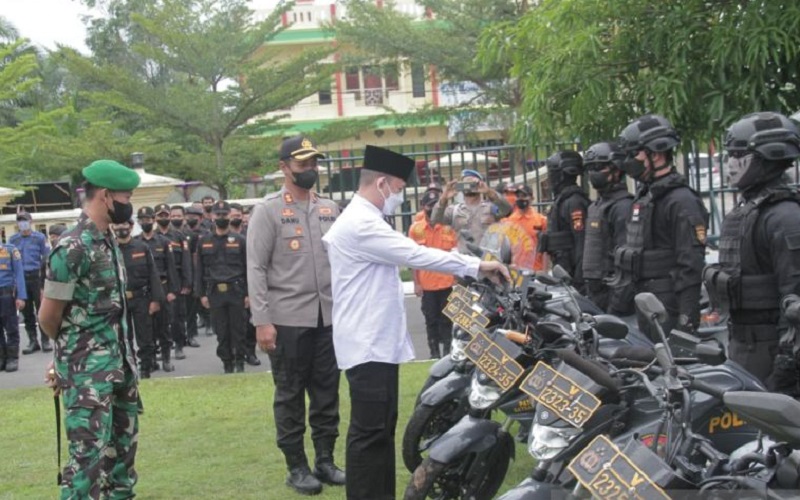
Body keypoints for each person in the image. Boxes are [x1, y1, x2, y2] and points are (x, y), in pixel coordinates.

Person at [322, 145, 509, 500]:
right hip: (367, 343)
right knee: (369, 433)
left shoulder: (364, 218)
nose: (398, 196)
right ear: (381, 184)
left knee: (379, 431)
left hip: (372, 342)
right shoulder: (361, 223)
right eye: (397, 189)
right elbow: (414, 253)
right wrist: (474, 266)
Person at [38, 159, 140, 498]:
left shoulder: (108, 240)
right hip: (87, 377)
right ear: (106, 196)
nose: (130, 206)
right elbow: (48, 317)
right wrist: (68, 356)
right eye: (126, 198)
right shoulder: (72, 247)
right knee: (86, 465)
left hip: (120, 367)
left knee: (122, 462)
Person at [248, 135, 344, 495]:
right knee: (289, 395)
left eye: (314, 164)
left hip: (327, 318)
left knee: (327, 393)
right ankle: (296, 467)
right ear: (284, 168)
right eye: (303, 164)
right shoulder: (268, 210)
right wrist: (262, 320)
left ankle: (325, 460)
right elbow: (255, 268)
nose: (310, 170)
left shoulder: (328, 208)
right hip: (287, 320)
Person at [703, 112, 800, 392]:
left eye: (737, 154)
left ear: (765, 157)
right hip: (743, 344)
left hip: (773, 351)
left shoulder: (785, 216)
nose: (729, 163)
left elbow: (794, 294)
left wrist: (787, 363)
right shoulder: (747, 210)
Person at [615, 114, 709, 339]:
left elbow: (690, 266)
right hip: (648, 303)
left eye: (634, 153)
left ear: (655, 154)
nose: (629, 161)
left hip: (670, 308)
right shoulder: (647, 196)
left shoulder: (681, 201)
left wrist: (686, 324)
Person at [582, 142, 635, 314]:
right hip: (595, 294)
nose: (592, 173)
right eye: (590, 168)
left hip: (615, 297)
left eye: (598, 167)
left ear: (616, 170)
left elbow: (627, 263)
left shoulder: (623, 207)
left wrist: (616, 307)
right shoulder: (595, 206)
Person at [196, 200, 248, 373]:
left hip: (237, 291)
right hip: (215, 292)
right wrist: (201, 294)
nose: (221, 218)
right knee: (221, 330)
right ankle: (227, 363)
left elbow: (248, 268)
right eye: (218, 215)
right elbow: (200, 270)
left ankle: (240, 361)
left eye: (224, 215)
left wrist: (249, 294)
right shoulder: (204, 241)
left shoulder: (240, 240)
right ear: (211, 217)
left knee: (239, 329)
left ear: (230, 216)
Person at [408, 188, 457, 359]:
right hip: (427, 284)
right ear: (423, 206)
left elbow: (456, 254)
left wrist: (457, 280)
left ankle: (447, 353)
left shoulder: (448, 227)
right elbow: (412, 260)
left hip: (447, 282)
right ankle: (434, 352)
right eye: (429, 206)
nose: (432, 208)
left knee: (447, 320)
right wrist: (417, 283)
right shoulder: (416, 229)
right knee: (431, 320)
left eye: (435, 205)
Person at [115, 219, 164, 378]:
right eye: (118, 225)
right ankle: (129, 368)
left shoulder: (142, 247)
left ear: (130, 227)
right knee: (124, 336)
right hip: (120, 300)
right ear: (113, 227)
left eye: (124, 225)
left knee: (145, 336)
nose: (121, 228)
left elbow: (153, 274)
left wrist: (156, 300)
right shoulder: (110, 249)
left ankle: (146, 368)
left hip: (141, 298)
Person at [135, 206, 178, 372]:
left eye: (148, 219)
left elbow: (171, 267)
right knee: (147, 328)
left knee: (164, 325)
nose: (146, 222)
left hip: (163, 287)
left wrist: (172, 291)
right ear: (139, 222)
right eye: (142, 219)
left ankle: (166, 358)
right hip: (146, 291)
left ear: (153, 220)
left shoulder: (163, 242)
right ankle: (151, 360)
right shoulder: (136, 243)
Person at [538, 151, 589, 289]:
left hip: (573, 276)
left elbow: (581, 242)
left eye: (552, 173)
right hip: (562, 271)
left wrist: (579, 281)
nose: (549, 178)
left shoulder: (574, 202)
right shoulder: (562, 201)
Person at [431, 169, 512, 253]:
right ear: (461, 186)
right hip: (465, 261)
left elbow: (507, 210)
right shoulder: (454, 210)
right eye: (465, 183)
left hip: (487, 259)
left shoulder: (491, 207)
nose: (468, 186)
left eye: (472, 184)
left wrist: (489, 192)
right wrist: (444, 198)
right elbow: (434, 220)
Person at [10, 212, 51, 355]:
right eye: (19, 221)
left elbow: (46, 258)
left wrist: (44, 282)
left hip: (36, 276)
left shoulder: (39, 238)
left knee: (41, 309)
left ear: (31, 221)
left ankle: (45, 340)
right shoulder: (13, 240)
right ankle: (33, 341)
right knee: (26, 312)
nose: (22, 223)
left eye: (25, 220)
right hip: (21, 278)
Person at [156, 203, 193, 360]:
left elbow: (186, 261)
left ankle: (179, 346)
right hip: (160, 281)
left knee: (178, 316)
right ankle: (163, 347)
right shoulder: (152, 236)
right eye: (160, 215)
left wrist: (187, 283)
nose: (164, 218)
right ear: (156, 218)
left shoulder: (179, 236)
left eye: (166, 215)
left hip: (177, 280)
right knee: (161, 317)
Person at [506, 184, 548, 270]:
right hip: (515, 269)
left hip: (536, 269)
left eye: (524, 196)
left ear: (532, 198)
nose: (520, 199)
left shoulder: (541, 220)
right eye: (518, 196)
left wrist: (544, 271)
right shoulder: (509, 221)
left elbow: (546, 250)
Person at [0, 240, 26, 372]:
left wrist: (21, 296)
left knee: (11, 328)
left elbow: (19, 274)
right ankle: (1, 358)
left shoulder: (10, 250)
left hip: (7, 294)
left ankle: (12, 358)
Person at [184, 205, 209, 341]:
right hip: (189, 273)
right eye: (189, 216)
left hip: (203, 272)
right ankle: (191, 334)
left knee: (204, 299)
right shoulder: (183, 234)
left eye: (194, 217)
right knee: (190, 306)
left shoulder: (206, 234)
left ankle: (209, 323)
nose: (191, 219)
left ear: (200, 218)